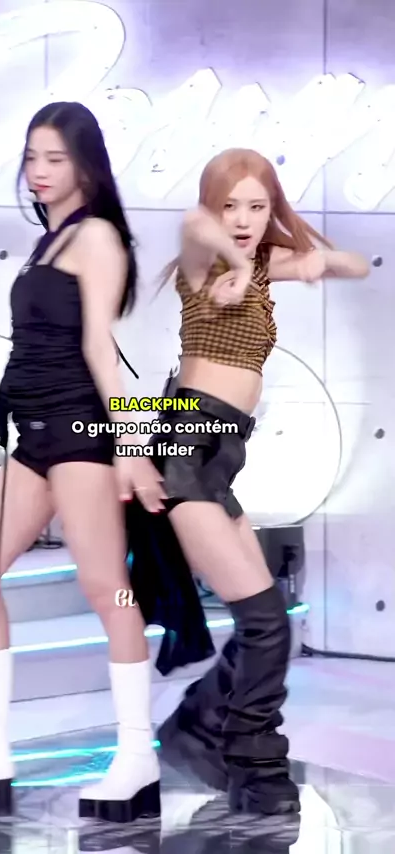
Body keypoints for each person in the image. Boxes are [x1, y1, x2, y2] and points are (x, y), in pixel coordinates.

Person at [0, 102, 166, 824]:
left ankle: (136, 758)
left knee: (110, 591)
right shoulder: (48, 242)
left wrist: (131, 450)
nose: (39, 171)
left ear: (86, 165)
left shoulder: (98, 238)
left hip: (82, 434)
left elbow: (101, 352)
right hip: (35, 436)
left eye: (55, 158)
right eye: (31, 157)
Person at [149, 148, 369, 815]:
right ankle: (251, 760)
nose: (242, 220)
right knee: (267, 621)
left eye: (257, 206)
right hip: (185, 448)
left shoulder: (265, 263)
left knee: (266, 620)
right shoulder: (201, 263)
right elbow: (193, 225)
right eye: (231, 206)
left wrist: (308, 258)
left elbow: (355, 265)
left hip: (222, 457)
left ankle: (198, 728)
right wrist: (241, 264)